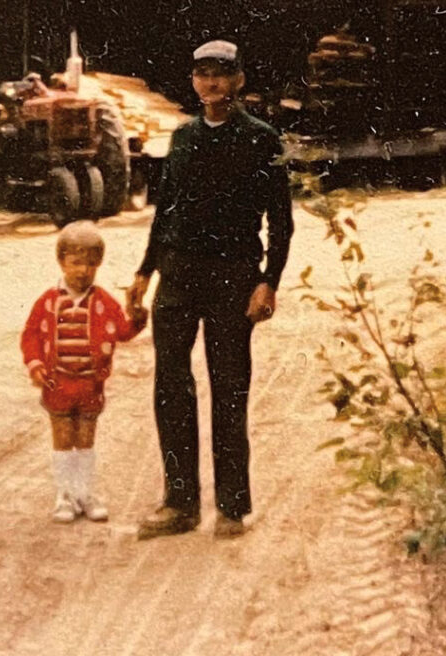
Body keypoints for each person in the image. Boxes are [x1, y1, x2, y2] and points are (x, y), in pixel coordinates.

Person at [129, 39, 294, 540]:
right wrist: (143, 273)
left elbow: (281, 223)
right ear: (193, 80)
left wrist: (269, 282)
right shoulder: (181, 139)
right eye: (202, 73)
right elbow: (165, 213)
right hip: (178, 277)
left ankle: (231, 507)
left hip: (233, 277)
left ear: (239, 80)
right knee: (171, 387)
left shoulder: (262, 140)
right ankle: (179, 504)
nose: (211, 82)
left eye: (220, 73)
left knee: (229, 389)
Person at [21, 221, 147, 523]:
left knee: (86, 439)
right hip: (58, 383)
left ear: (99, 265)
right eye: (75, 263)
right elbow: (30, 336)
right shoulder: (49, 301)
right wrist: (35, 364)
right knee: (63, 438)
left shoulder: (103, 301)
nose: (83, 271)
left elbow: (123, 332)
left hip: (90, 385)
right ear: (62, 261)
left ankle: (84, 493)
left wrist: (138, 316)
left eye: (91, 264)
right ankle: (65, 495)